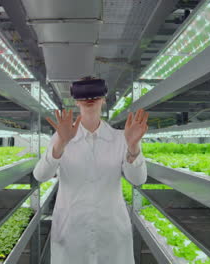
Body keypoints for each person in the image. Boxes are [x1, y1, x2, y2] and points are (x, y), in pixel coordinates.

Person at [33, 77, 149, 264]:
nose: (89, 99)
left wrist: (133, 147)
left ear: (104, 99)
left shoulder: (122, 138)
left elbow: (138, 179)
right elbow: (40, 175)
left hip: (111, 233)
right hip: (71, 231)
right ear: (76, 100)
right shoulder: (61, 137)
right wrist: (61, 143)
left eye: (95, 94)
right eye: (83, 95)